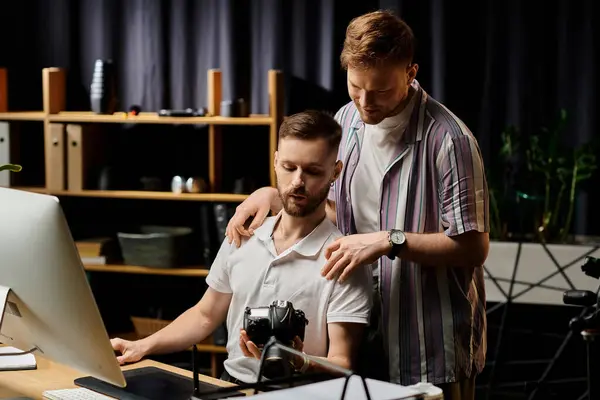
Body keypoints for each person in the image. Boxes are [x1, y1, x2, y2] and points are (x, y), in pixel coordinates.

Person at [225, 10, 489, 400]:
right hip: (360, 340)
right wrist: (276, 196)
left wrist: (389, 240)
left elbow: (474, 247)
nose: (366, 102)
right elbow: (334, 207)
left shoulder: (450, 141)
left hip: (428, 346)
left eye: (381, 90)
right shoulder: (346, 121)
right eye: (355, 85)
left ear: (411, 72)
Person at [110, 110, 372, 385]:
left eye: (313, 171)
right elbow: (204, 315)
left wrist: (296, 361)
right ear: (274, 162)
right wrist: (142, 346)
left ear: (335, 172)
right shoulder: (244, 233)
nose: (297, 181)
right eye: (288, 167)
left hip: (299, 393)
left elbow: (342, 363)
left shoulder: (343, 258)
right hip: (230, 386)